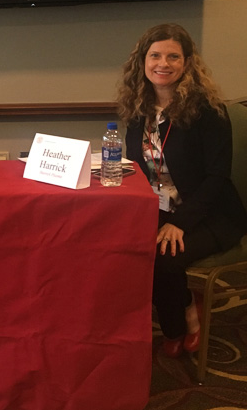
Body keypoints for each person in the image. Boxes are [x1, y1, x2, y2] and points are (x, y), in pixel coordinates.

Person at [117, 23, 247, 357]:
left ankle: (184, 318)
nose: (164, 63)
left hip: (212, 213)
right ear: (142, 62)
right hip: (162, 207)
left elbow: (217, 177)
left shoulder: (208, 112)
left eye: (173, 56)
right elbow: (138, 166)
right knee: (124, 247)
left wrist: (181, 222)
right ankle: (169, 315)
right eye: (155, 55)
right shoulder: (138, 111)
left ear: (187, 63)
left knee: (164, 258)